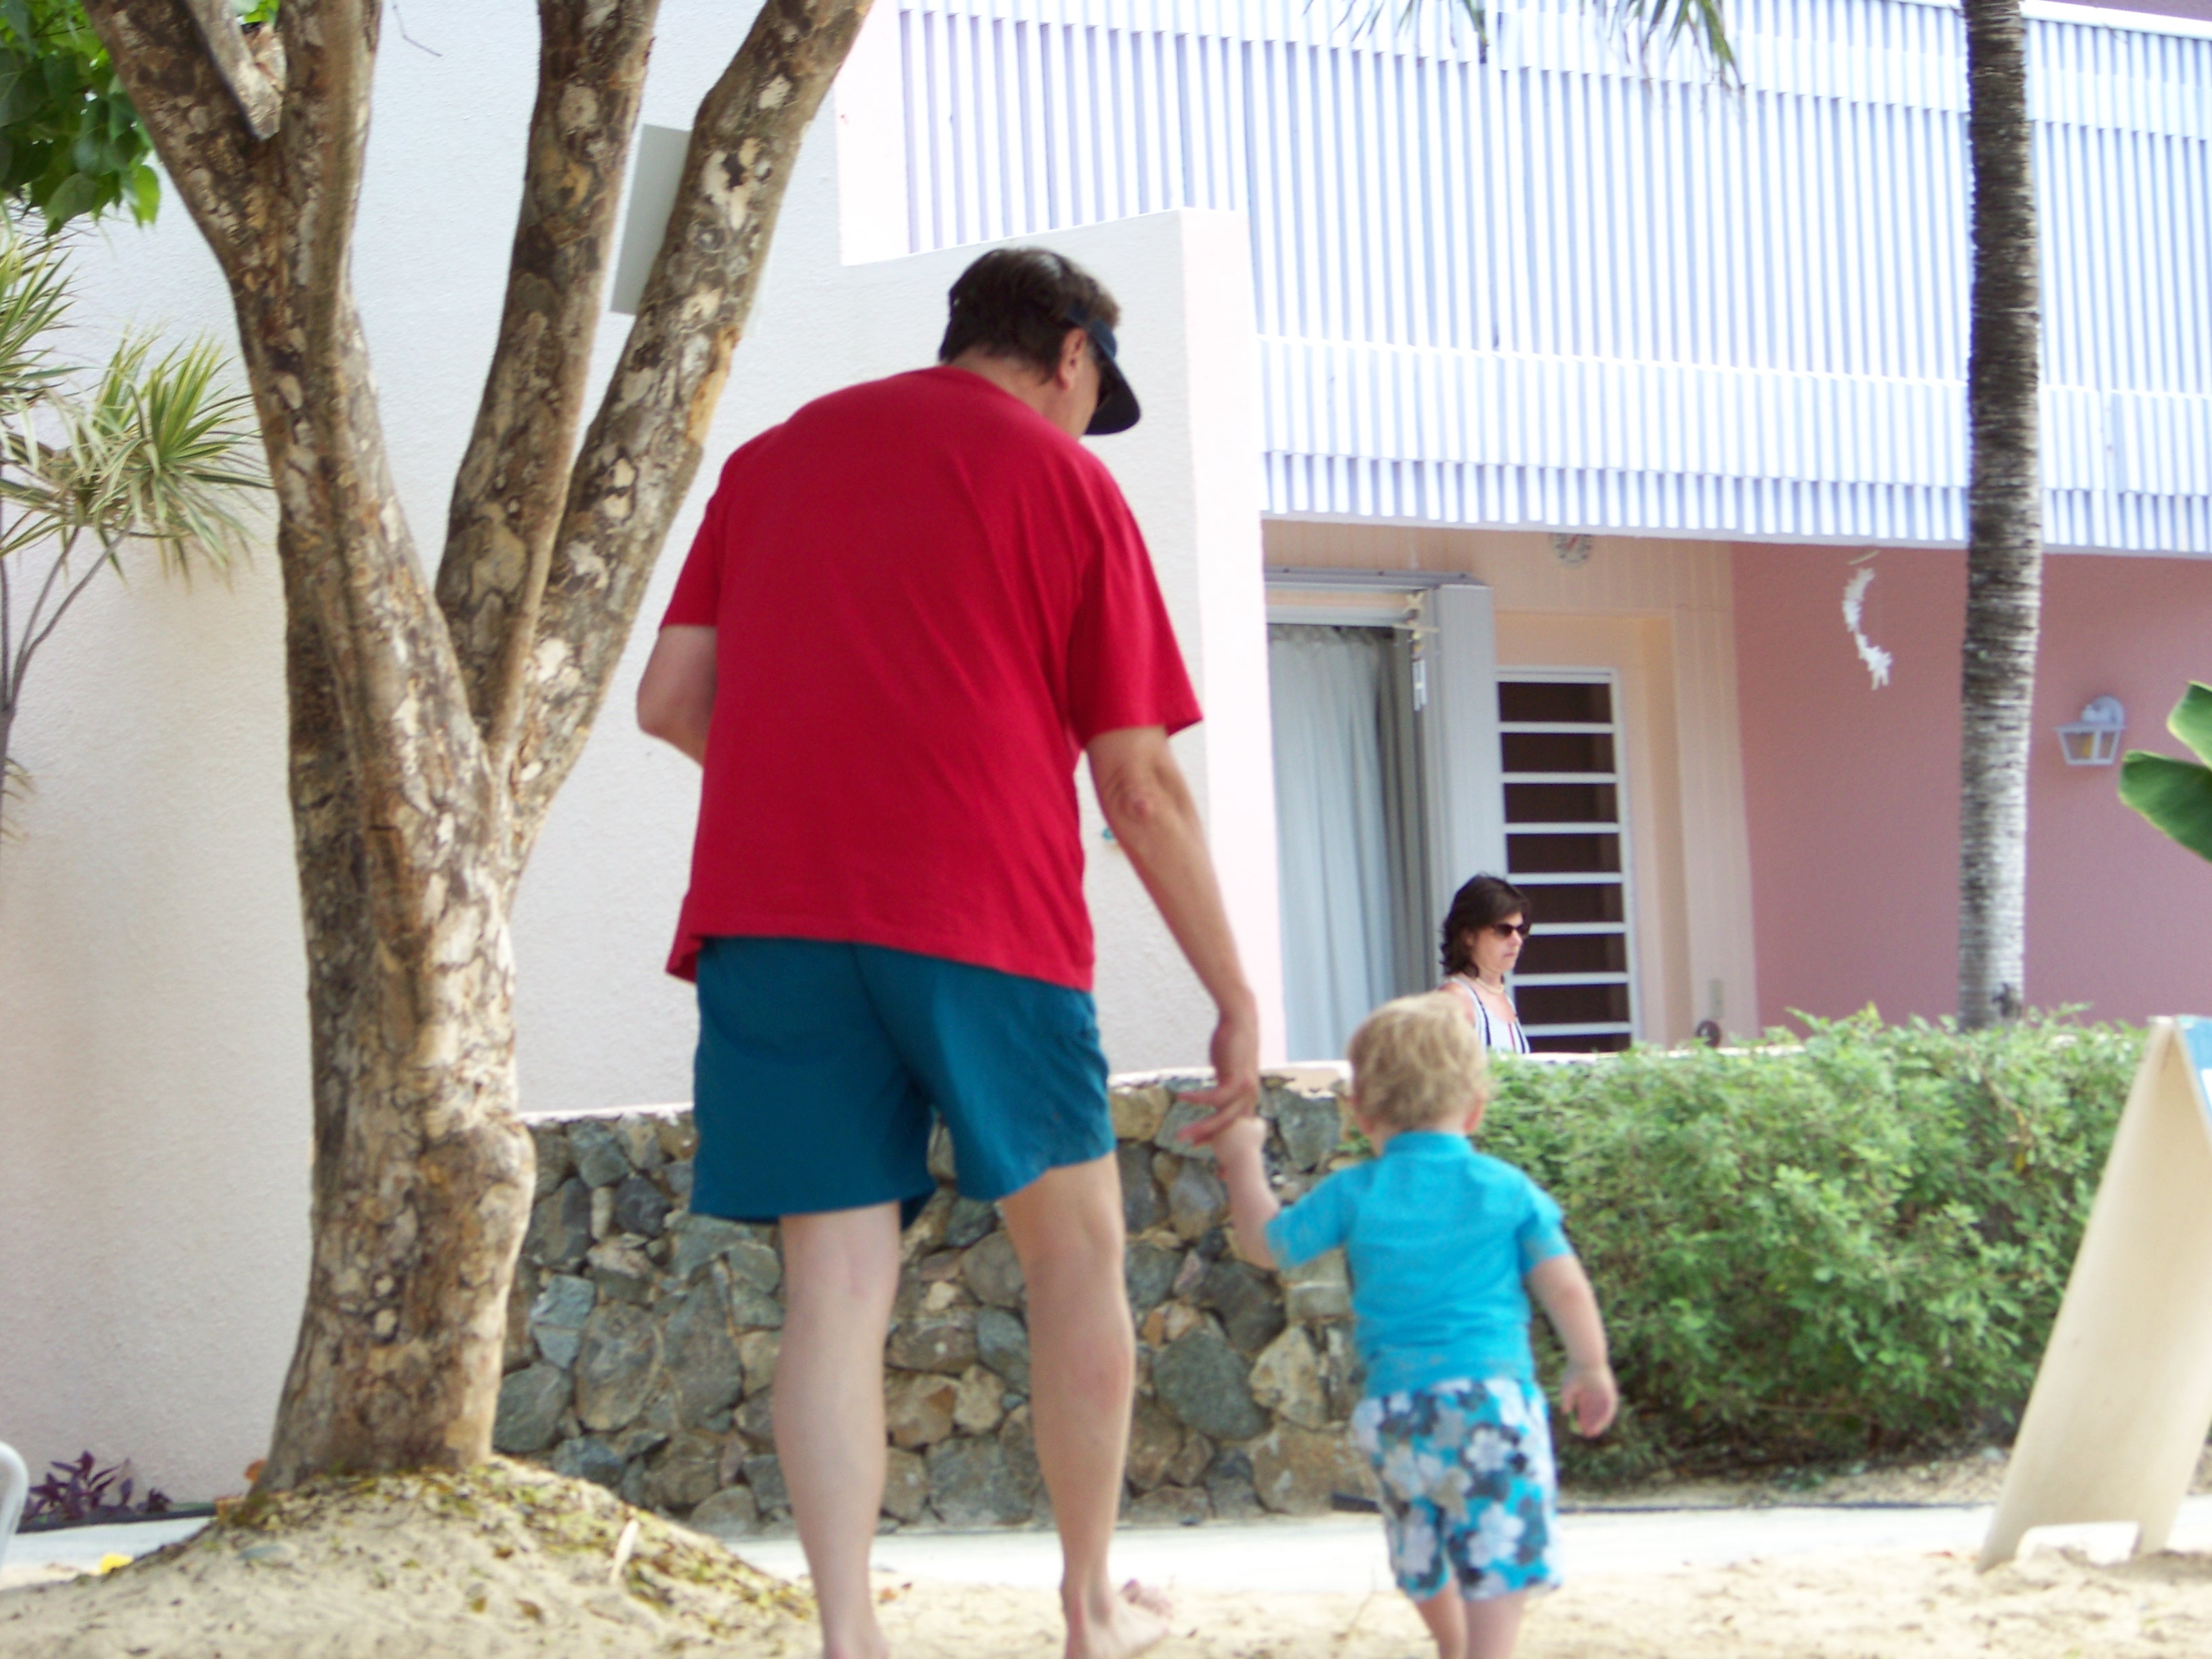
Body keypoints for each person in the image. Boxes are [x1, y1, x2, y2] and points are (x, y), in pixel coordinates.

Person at [636, 246, 1261, 1659]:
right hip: (983, 913)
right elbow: (1137, 783)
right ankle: (1088, 1607)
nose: (1086, 424)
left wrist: (822, 784)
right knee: (1075, 1254)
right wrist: (1231, 990)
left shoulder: (771, 462)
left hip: (772, 917)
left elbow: (669, 700)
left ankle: (849, 1636)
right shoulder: (1066, 484)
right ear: (1072, 354)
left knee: (835, 1288)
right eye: (1090, 396)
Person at [1215, 994, 1615, 1659]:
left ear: (1360, 1113)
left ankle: (1453, 1646)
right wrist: (1590, 1364)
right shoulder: (1505, 1188)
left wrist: (1240, 1156)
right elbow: (1565, 1285)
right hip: (1492, 1404)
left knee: (1420, 1547)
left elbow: (1266, 1244)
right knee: (1499, 1550)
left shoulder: (1357, 1191)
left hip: (1398, 1411)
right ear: (1476, 1108)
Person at [1438, 874, 1534, 1054]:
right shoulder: (1456, 999)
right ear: (1469, 935)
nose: (1517, 940)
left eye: (1521, 930)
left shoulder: (1501, 995)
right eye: (1503, 930)